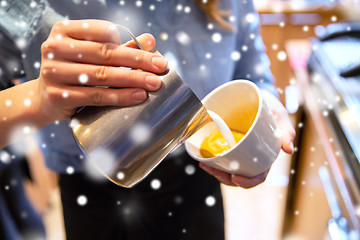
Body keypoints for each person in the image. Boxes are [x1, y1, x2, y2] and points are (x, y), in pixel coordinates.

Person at [0, 0, 296, 239]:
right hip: (93, 193)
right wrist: (37, 100)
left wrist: (266, 111)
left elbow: (252, 71)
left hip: (198, 180)